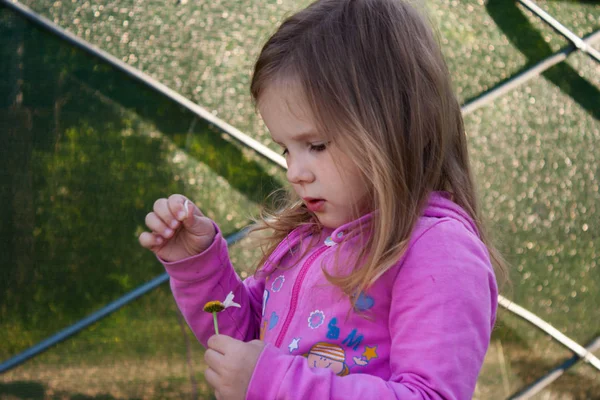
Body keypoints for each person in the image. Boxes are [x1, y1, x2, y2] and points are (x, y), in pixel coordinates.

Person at [139, 0, 505, 398]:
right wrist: (199, 264)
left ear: (390, 124)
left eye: (315, 144)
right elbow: (247, 342)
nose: (295, 172)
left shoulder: (438, 251)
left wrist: (274, 384)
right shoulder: (306, 240)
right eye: (285, 149)